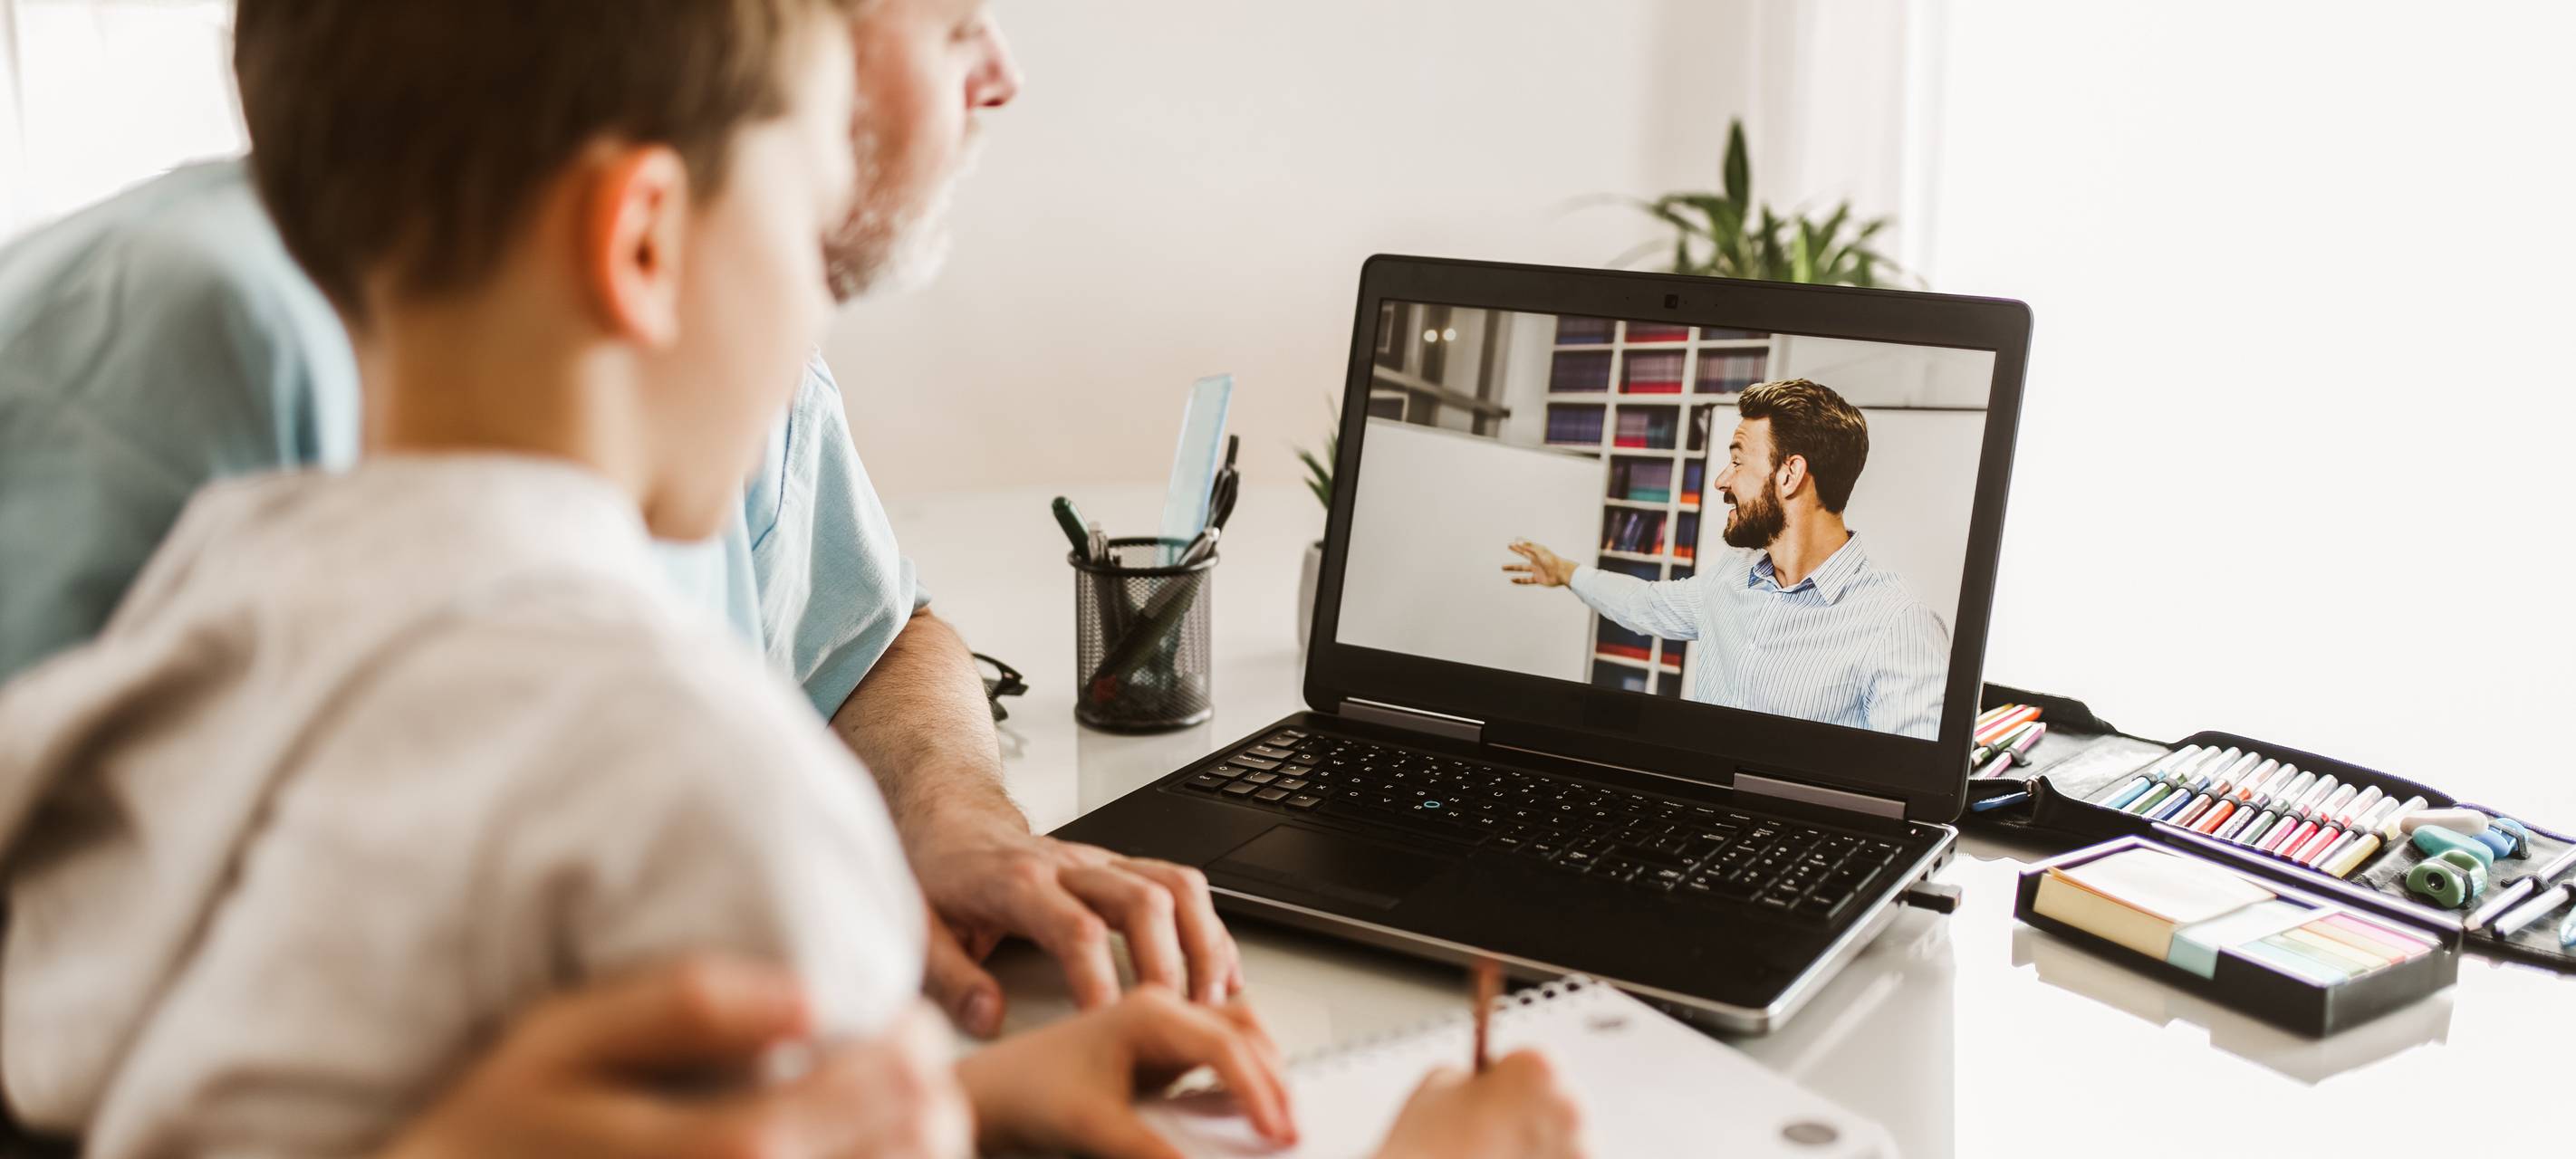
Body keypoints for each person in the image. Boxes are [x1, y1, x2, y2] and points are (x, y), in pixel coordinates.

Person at [0, 2, 1588, 1156]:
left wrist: (949, 1106)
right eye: (808, 176)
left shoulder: (195, 620)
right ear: (639, 244)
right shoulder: (709, 796)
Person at [0, 0, 1216, 1039]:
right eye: (950, 21)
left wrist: (948, 807)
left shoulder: (676, 369)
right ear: (638, 232)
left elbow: (872, 637)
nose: (999, 74)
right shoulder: (172, 348)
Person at [1504, 378, 1949, 740]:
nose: (1720, 480)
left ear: (1789, 474)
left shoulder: (1898, 623)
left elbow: (1907, 796)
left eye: (1737, 462)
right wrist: (1566, 572)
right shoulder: (1731, 578)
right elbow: (1649, 604)